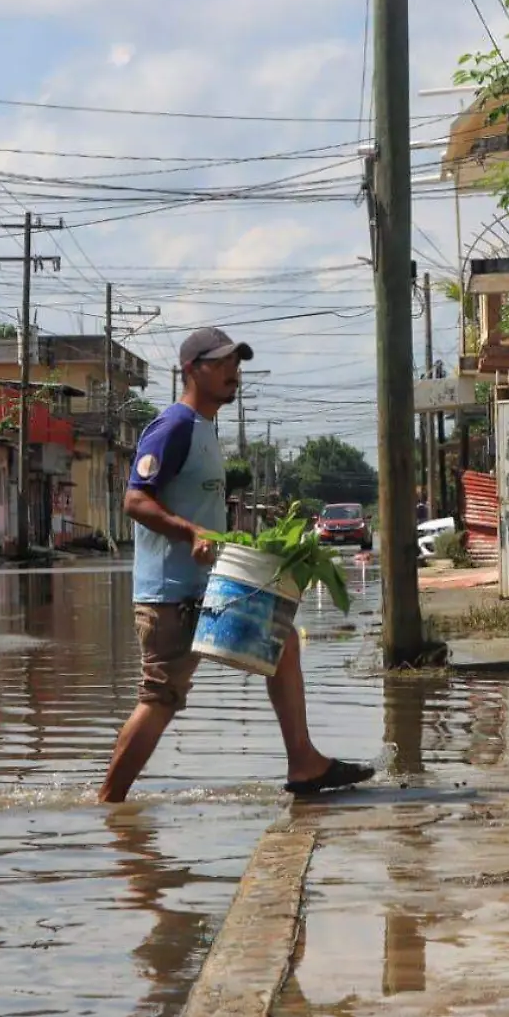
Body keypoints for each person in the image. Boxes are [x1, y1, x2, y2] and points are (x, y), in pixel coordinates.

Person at [97, 328, 375, 804]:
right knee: (160, 698)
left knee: (281, 639)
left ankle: (304, 762)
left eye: (236, 362)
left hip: (206, 590)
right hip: (170, 596)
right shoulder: (173, 427)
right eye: (222, 362)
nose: (233, 371)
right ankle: (108, 805)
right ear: (191, 370)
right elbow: (135, 500)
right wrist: (191, 533)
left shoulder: (205, 429)